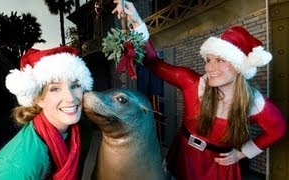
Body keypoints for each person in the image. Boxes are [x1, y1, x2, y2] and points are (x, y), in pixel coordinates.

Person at [112, 1, 287, 180]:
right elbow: (154, 64)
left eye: (220, 60)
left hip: (216, 168)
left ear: (239, 67)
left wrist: (241, 153)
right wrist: (136, 21)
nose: (210, 68)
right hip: (181, 156)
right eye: (208, 60)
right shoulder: (193, 83)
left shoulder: (255, 104)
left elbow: (278, 129)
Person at [0, 46, 93, 179]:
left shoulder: (81, 129)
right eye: (55, 89)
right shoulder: (19, 165)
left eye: (75, 85)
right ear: (38, 99)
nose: (71, 98)